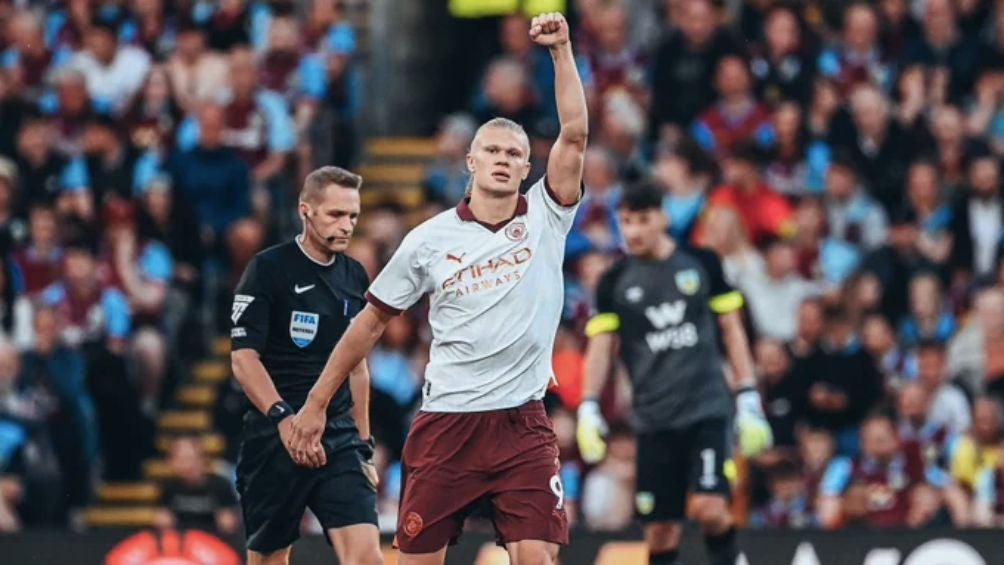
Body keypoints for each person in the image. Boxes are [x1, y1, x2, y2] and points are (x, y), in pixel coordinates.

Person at [286, 13, 588, 565]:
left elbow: (573, 133)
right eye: (491, 151)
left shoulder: (548, 215)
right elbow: (370, 322)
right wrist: (315, 401)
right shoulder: (428, 240)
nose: (502, 160)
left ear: (527, 169)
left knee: (538, 558)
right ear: (469, 162)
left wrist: (561, 50)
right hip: (448, 422)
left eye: (514, 154)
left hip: (522, 422)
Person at [576, 182, 772, 565]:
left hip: (706, 411)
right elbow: (601, 349)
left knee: (710, 508)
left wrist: (748, 396)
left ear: (663, 217)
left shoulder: (702, 264)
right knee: (660, 533)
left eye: (643, 220)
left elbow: (732, 330)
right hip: (652, 420)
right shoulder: (614, 281)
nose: (633, 231)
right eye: (626, 221)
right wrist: (587, 406)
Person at [229, 166, 381, 565]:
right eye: (335, 214)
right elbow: (244, 358)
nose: (346, 225)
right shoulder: (268, 269)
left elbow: (358, 367)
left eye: (352, 216)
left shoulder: (354, 275)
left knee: (367, 556)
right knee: (269, 560)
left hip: (337, 437)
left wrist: (364, 446)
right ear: (306, 211)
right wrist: (283, 419)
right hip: (274, 436)